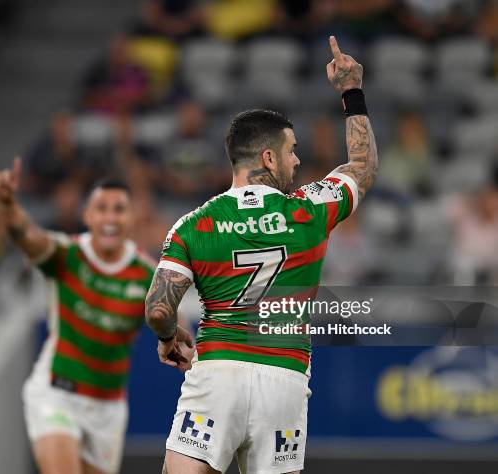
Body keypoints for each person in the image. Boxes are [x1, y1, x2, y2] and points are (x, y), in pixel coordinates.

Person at [145, 36, 378, 474]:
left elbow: (158, 309)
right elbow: (362, 169)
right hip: (284, 380)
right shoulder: (309, 209)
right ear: (269, 157)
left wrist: (167, 337)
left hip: (217, 373)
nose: (297, 158)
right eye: (292, 150)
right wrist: (351, 92)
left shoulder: (194, 224)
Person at [0, 159, 192, 474]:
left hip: (107, 406)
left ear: (132, 216)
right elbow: (26, 236)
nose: (110, 217)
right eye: (102, 208)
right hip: (57, 392)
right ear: (87, 215)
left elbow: (176, 329)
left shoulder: (147, 276)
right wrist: (7, 204)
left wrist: (179, 346)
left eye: (119, 209)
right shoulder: (67, 255)